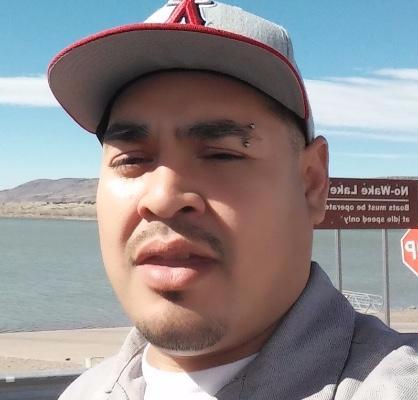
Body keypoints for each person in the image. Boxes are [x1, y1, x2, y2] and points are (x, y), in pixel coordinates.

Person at [48, 1, 418, 399]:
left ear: (312, 183)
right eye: (132, 159)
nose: (162, 198)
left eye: (221, 154)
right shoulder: (83, 392)